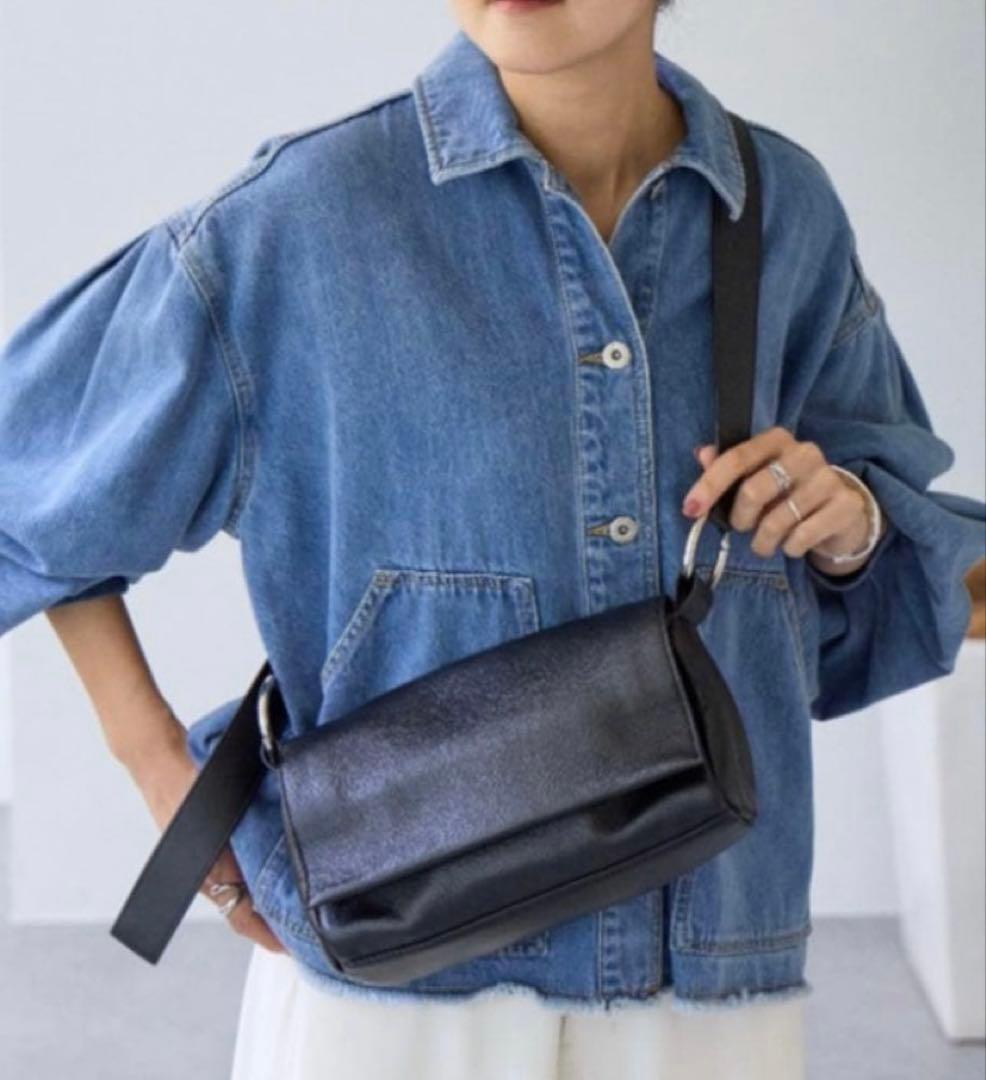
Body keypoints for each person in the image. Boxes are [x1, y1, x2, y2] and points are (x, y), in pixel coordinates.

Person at [2, 1, 983, 1077]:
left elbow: (886, 575)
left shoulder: (782, 212)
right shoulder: (303, 220)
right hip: (398, 989)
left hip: (712, 967)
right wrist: (154, 766)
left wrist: (845, 521)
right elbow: (24, 482)